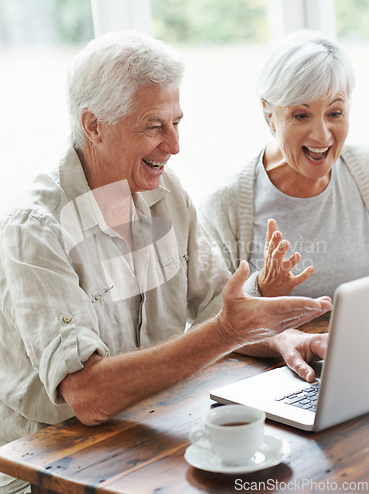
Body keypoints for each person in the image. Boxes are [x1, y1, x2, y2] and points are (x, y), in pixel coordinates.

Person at [0, 30, 331, 493]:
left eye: (177, 122)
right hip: (51, 466)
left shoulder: (165, 192)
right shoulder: (34, 228)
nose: (173, 145)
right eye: (154, 125)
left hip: (150, 432)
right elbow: (88, 396)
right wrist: (227, 331)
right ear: (94, 126)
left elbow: (220, 306)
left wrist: (283, 340)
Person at [200, 30, 369, 300]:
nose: (322, 135)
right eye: (301, 116)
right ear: (269, 112)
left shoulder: (364, 171)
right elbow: (208, 320)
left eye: (334, 113)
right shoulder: (226, 203)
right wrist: (260, 289)